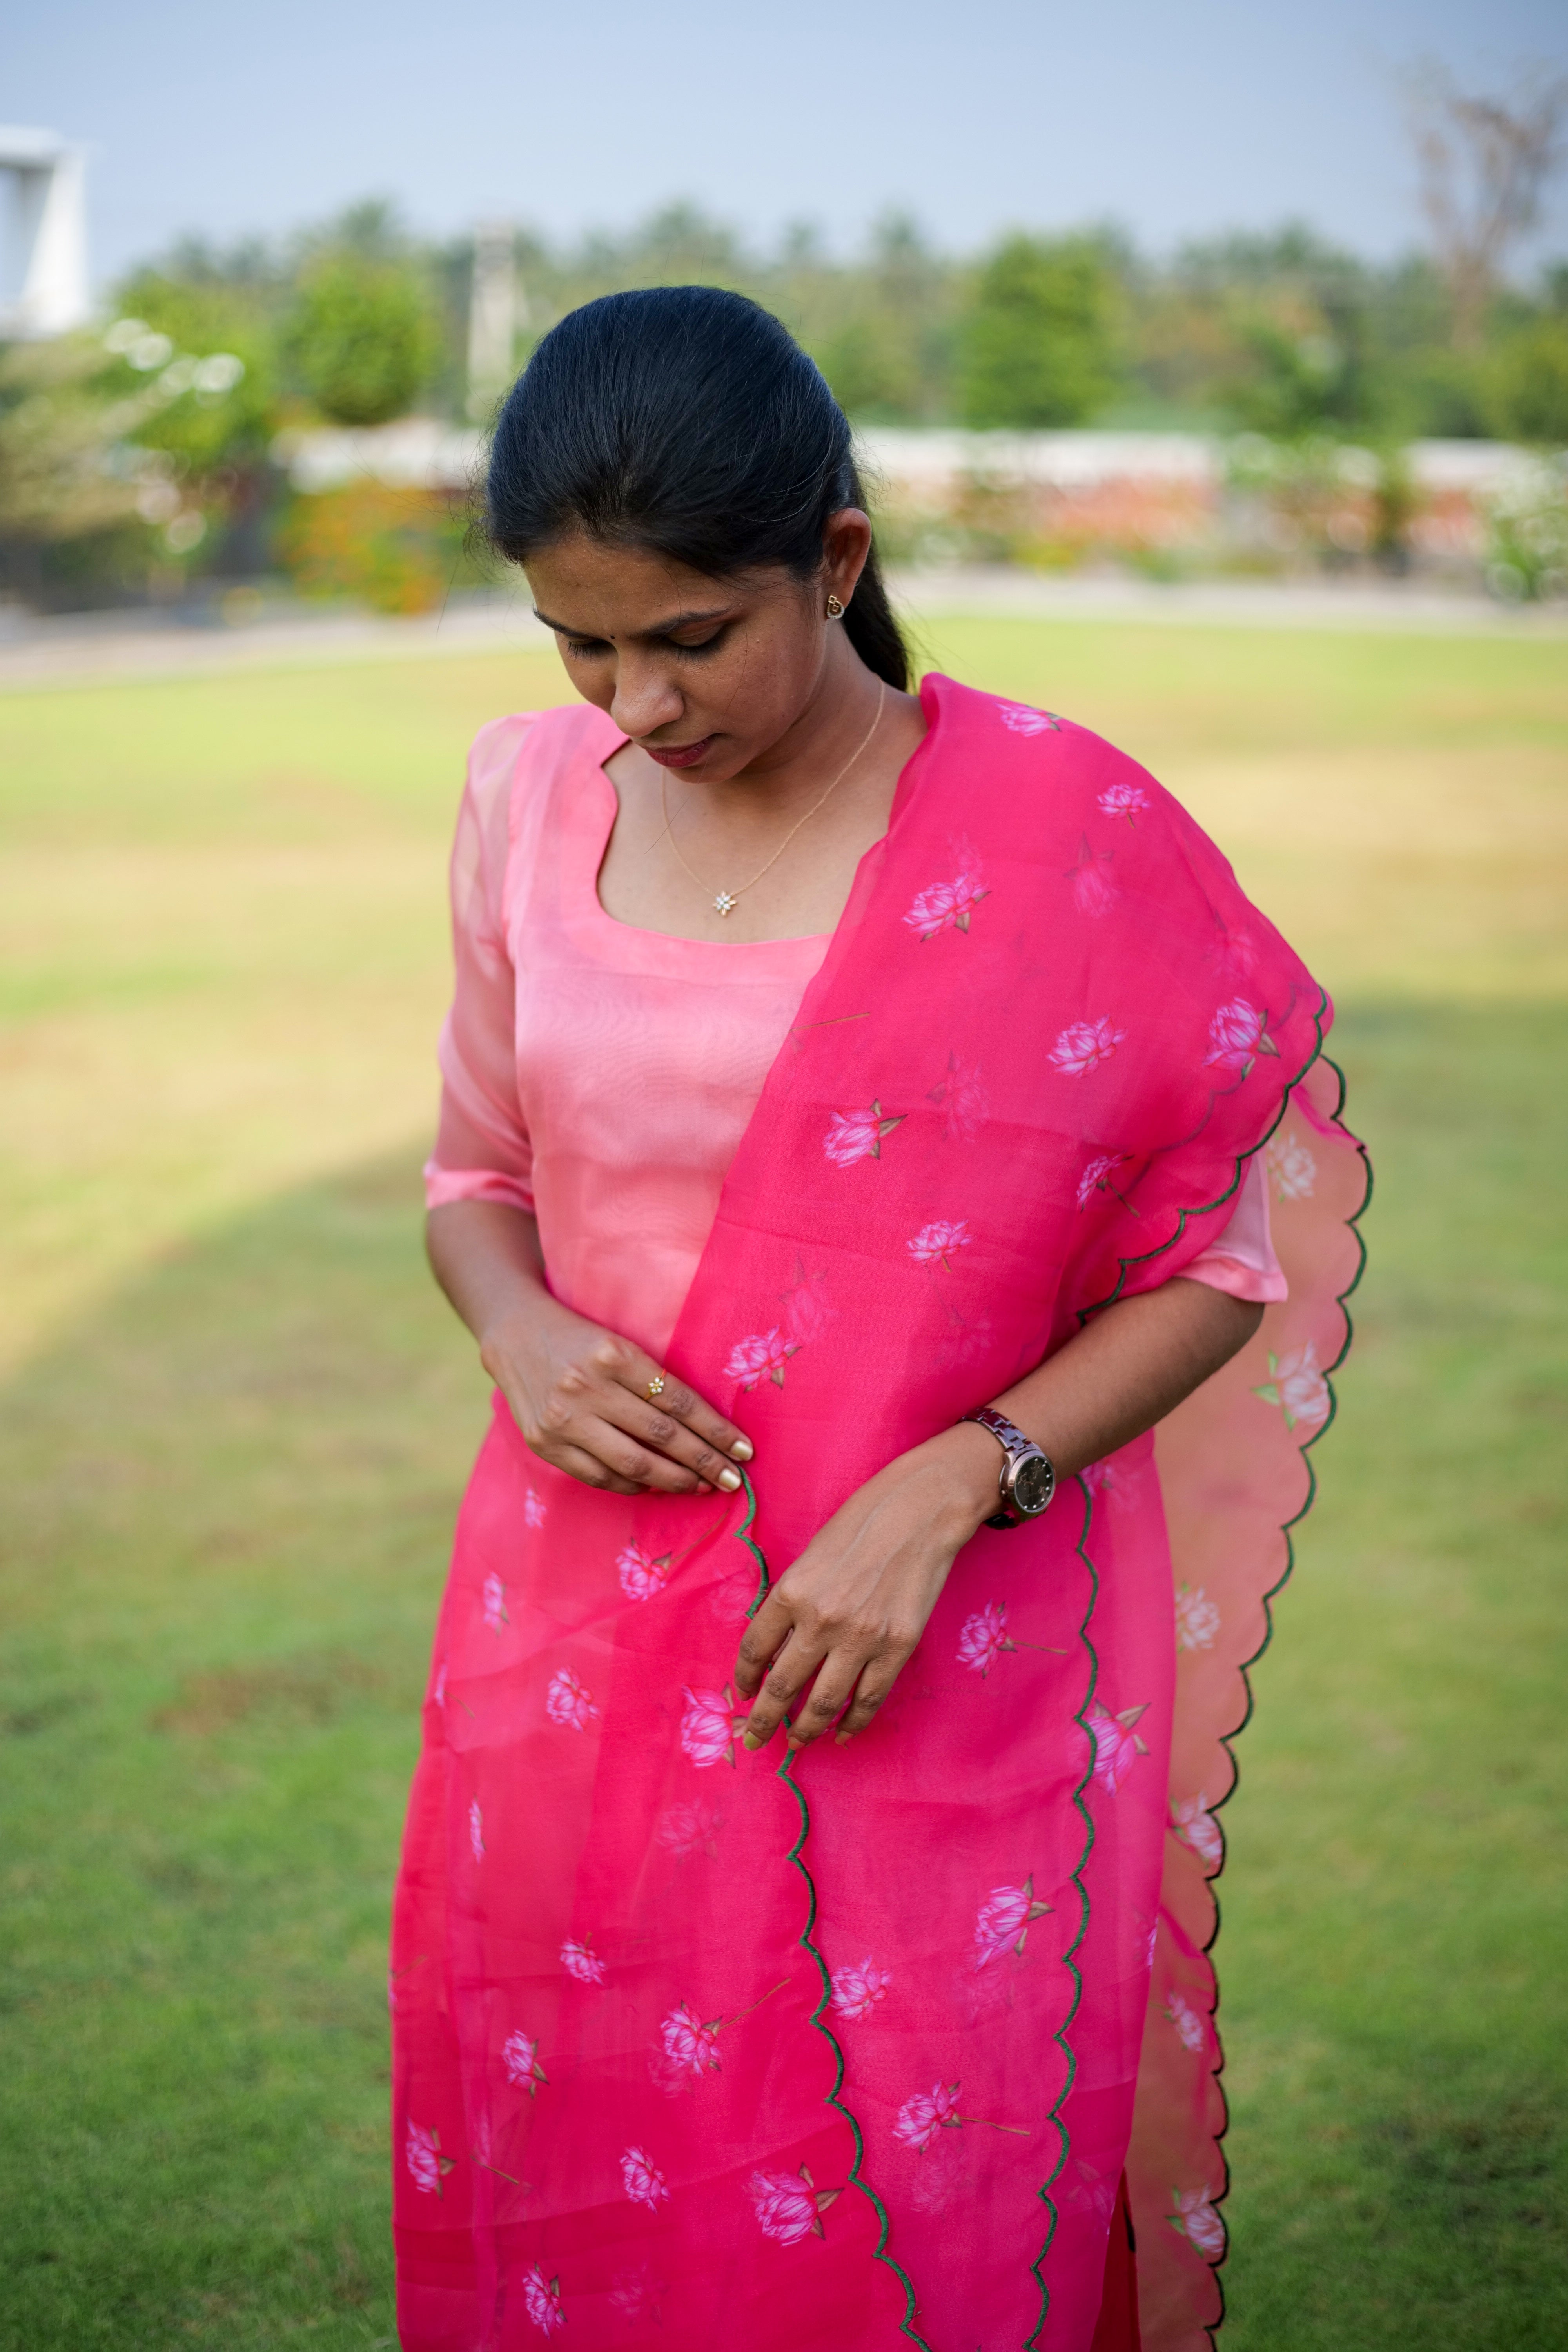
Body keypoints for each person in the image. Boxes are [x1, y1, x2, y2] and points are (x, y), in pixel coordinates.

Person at [391, 287, 1367, 2352]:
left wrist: (960, 1476)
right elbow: (475, 1179)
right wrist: (519, 1329)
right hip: (571, 1654)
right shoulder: (523, 799)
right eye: (580, 642)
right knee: (608, 2163)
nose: (632, 705)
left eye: (688, 638)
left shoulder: (1053, 838)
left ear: (834, 563)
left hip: (940, 1664)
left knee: (919, 2195)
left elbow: (1215, 1261)